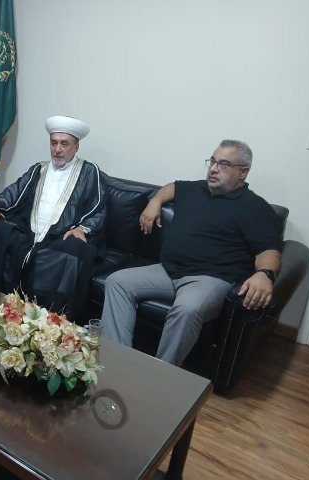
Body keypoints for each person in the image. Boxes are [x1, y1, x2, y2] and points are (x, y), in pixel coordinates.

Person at [101, 139, 283, 366]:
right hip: (168, 271)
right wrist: (155, 201)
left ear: (243, 172)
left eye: (223, 164)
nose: (214, 169)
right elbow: (172, 187)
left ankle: (160, 374)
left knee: (188, 308)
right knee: (117, 281)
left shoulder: (256, 208)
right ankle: (115, 360)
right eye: (212, 161)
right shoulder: (196, 189)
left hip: (208, 279)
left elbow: (269, 250)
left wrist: (265, 274)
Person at [0, 115, 109, 322]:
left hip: (62, 235)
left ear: (76, 147)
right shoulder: (39, 169)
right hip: (30, 231)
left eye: (64, 144)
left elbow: (99, 208)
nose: (57, 149)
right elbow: (15, 191)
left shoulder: (90, 172)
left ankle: (50, 320)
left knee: (74, 250)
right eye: (54, 143)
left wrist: (82, 228)